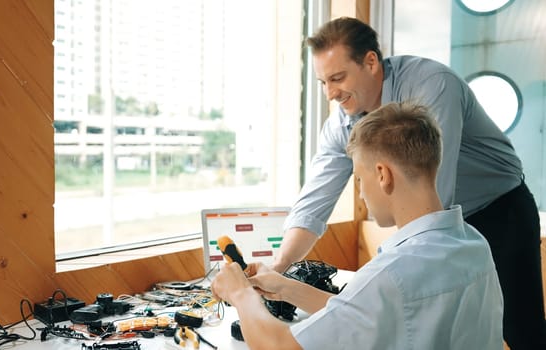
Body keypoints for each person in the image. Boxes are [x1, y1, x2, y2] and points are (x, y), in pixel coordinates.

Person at [273, 16, 544, 349]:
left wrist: (382, 278)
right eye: (322, 82)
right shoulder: (342, 124)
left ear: (370, 62)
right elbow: (315, 202)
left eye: (338, 78)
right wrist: (280, 269)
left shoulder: (431, 85)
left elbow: (428, 196)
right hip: (440, 222)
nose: (330, 93)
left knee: (522, 329)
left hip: (500, 210)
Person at [211, 102, 504, 349]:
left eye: (359, 179)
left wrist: (239, 294)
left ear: (382, 175)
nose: (361, 193)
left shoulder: (392, 273)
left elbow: (281, 346)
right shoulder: (475, 244)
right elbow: (363, 312)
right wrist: (287, 288)